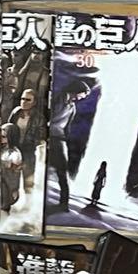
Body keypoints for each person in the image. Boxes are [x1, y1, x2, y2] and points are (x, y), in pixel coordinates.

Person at [47, 80, 92, 210]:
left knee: (62, 170)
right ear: (77, 90)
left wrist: (65, 140)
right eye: (83, 94)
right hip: (48, 136)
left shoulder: (72, 107)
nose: (83, 98)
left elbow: (68, 127)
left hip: (59, 139)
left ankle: (63, 203)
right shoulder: (57, 98)